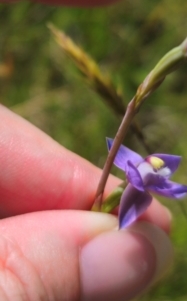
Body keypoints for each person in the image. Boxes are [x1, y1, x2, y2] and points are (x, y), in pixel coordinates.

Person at [0, 1, 173, 300]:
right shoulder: (132, 181)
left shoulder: (135, 190)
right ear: (133, 167)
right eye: (148, 165)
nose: (155, 164)